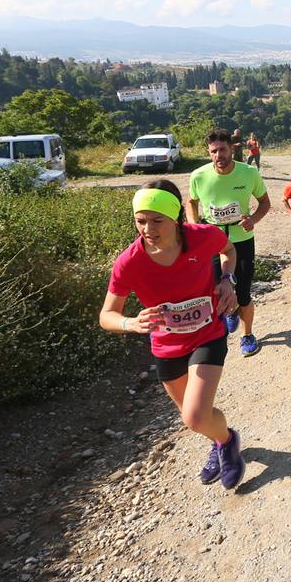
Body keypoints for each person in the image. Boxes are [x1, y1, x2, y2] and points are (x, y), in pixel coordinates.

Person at [100, 180, 246, 489]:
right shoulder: (129, 262)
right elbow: (107, 316)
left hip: (208, 332)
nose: (148, 229)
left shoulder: (203, 237)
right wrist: (130, 323)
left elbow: (229, 251)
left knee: (193, 416)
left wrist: (227, 280)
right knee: (196, 416)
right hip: (166, 346)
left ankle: (228, 442)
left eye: (157, 220)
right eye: (141, 220)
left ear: (176, 217)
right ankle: (218, 442)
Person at [188, 128, 272, 357]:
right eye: (214, 151)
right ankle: (230, 311)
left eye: (223, 150)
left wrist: (253, 219)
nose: (219, 156)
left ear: (232, 149)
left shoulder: (248, 173)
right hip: (212, 243)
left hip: (242, 239)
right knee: (217, 291)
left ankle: (247, 335)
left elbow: (265, 202)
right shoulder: (199, 176)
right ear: (209, 152)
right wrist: (195, 227)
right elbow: (191, 203)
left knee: (243, 292)